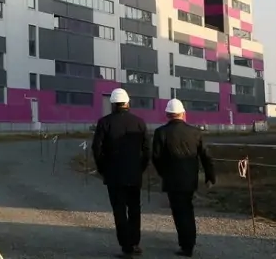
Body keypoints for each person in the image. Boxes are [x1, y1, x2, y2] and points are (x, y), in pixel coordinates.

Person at [152, 98, 216, 257]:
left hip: (171, 180)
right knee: (188, 208)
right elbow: (206, 156)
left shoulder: (161, 132)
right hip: (190, 179)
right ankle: (189, 243)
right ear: (183, 114)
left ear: (168, 114)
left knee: (178, 211)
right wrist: (210, 176)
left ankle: (185, 245)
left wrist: (163, 173)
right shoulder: (195, 132)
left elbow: (156, 157)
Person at [92, 88, 150, 258]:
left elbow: (96, 148)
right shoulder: (139, 122)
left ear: (112, 104)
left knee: (119, 210)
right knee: (134, 209)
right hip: (134, 174)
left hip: (114, 175)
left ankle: (126, 247)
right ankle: (135, 242)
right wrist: (141, 167)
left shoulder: (104, 122)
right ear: (127, 103)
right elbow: (147, 149)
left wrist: (103, 169)